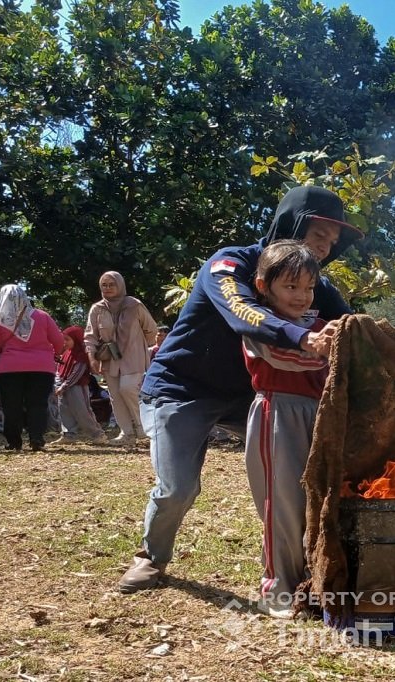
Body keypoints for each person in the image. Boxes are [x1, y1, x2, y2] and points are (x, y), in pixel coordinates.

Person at [118, 185, 358, 594]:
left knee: (296, 477)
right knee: (178, 488)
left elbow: (356, 327)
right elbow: (243, 313)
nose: (325, 247)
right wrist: (302, 339)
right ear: (291, 224)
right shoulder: (230, 263)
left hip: (253, 395)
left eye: (332, 242)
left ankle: (297, 565)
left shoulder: (317, 287)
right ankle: (151, 557)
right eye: (319, 234)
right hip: (181, 389)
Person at [242, 241, 330, 617]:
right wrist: (333, 350)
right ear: (264, 286)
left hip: (321, 416)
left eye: (308, 287)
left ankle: (318, 579)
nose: (301, 296)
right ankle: (278, 587)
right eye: (290, 287)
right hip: (276, 413)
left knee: (320, 501)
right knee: (282, 504)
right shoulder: (257, 324)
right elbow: (286, 359)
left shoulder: (323, 326)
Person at [0, 285, 63, 452]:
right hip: (41, 368)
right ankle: (37, 438)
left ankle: (14, 442)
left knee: (11, 406)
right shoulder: (42, 316)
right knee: (38, 404)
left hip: (9, 369)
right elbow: (58, 341)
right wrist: (51, 353)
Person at [84, 272, 160, 447]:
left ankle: (143, 429)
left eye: (111, 284)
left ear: (120, 285)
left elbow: (151, 329)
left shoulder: (134, 305)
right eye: (104, 285)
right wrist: (92, 358)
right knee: (115, 396)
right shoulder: (97, 308)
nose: (108, 288)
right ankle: (126, 432)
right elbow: (90, 336)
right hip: (109, 358)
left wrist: (139, 346)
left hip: (134, 357)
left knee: (128, 388)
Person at [53, 326, 107, 445]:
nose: (64, 342)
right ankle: (68, 434)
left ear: (76, 339)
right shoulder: (66, 353)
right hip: (63, 386)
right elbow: (59, 369)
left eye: (67, 339)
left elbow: (77, 372)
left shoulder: (81, 355)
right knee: (64, 410)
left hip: (77, 387)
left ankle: (97, 434)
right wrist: (59, 384)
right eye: (63, 339)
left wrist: (64, 386)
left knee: (82, 411)